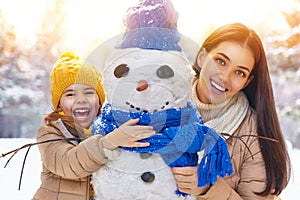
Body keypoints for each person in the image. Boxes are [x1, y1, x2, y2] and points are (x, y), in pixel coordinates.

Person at [171, 23, 291, 200]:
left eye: (239, 73)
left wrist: (209, 189)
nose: (225, 78)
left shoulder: (254, 134)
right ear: (202, 57)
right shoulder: (160, 98)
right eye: (220, 61)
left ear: (247, 81)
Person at [32, 52, 154, 200]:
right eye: (70, 94)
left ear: (99, 100)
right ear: (59, 104)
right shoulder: (51, 132)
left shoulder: (110, 128)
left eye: (89, 92)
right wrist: (107, 143)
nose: (81, 100)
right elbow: (68, 163)